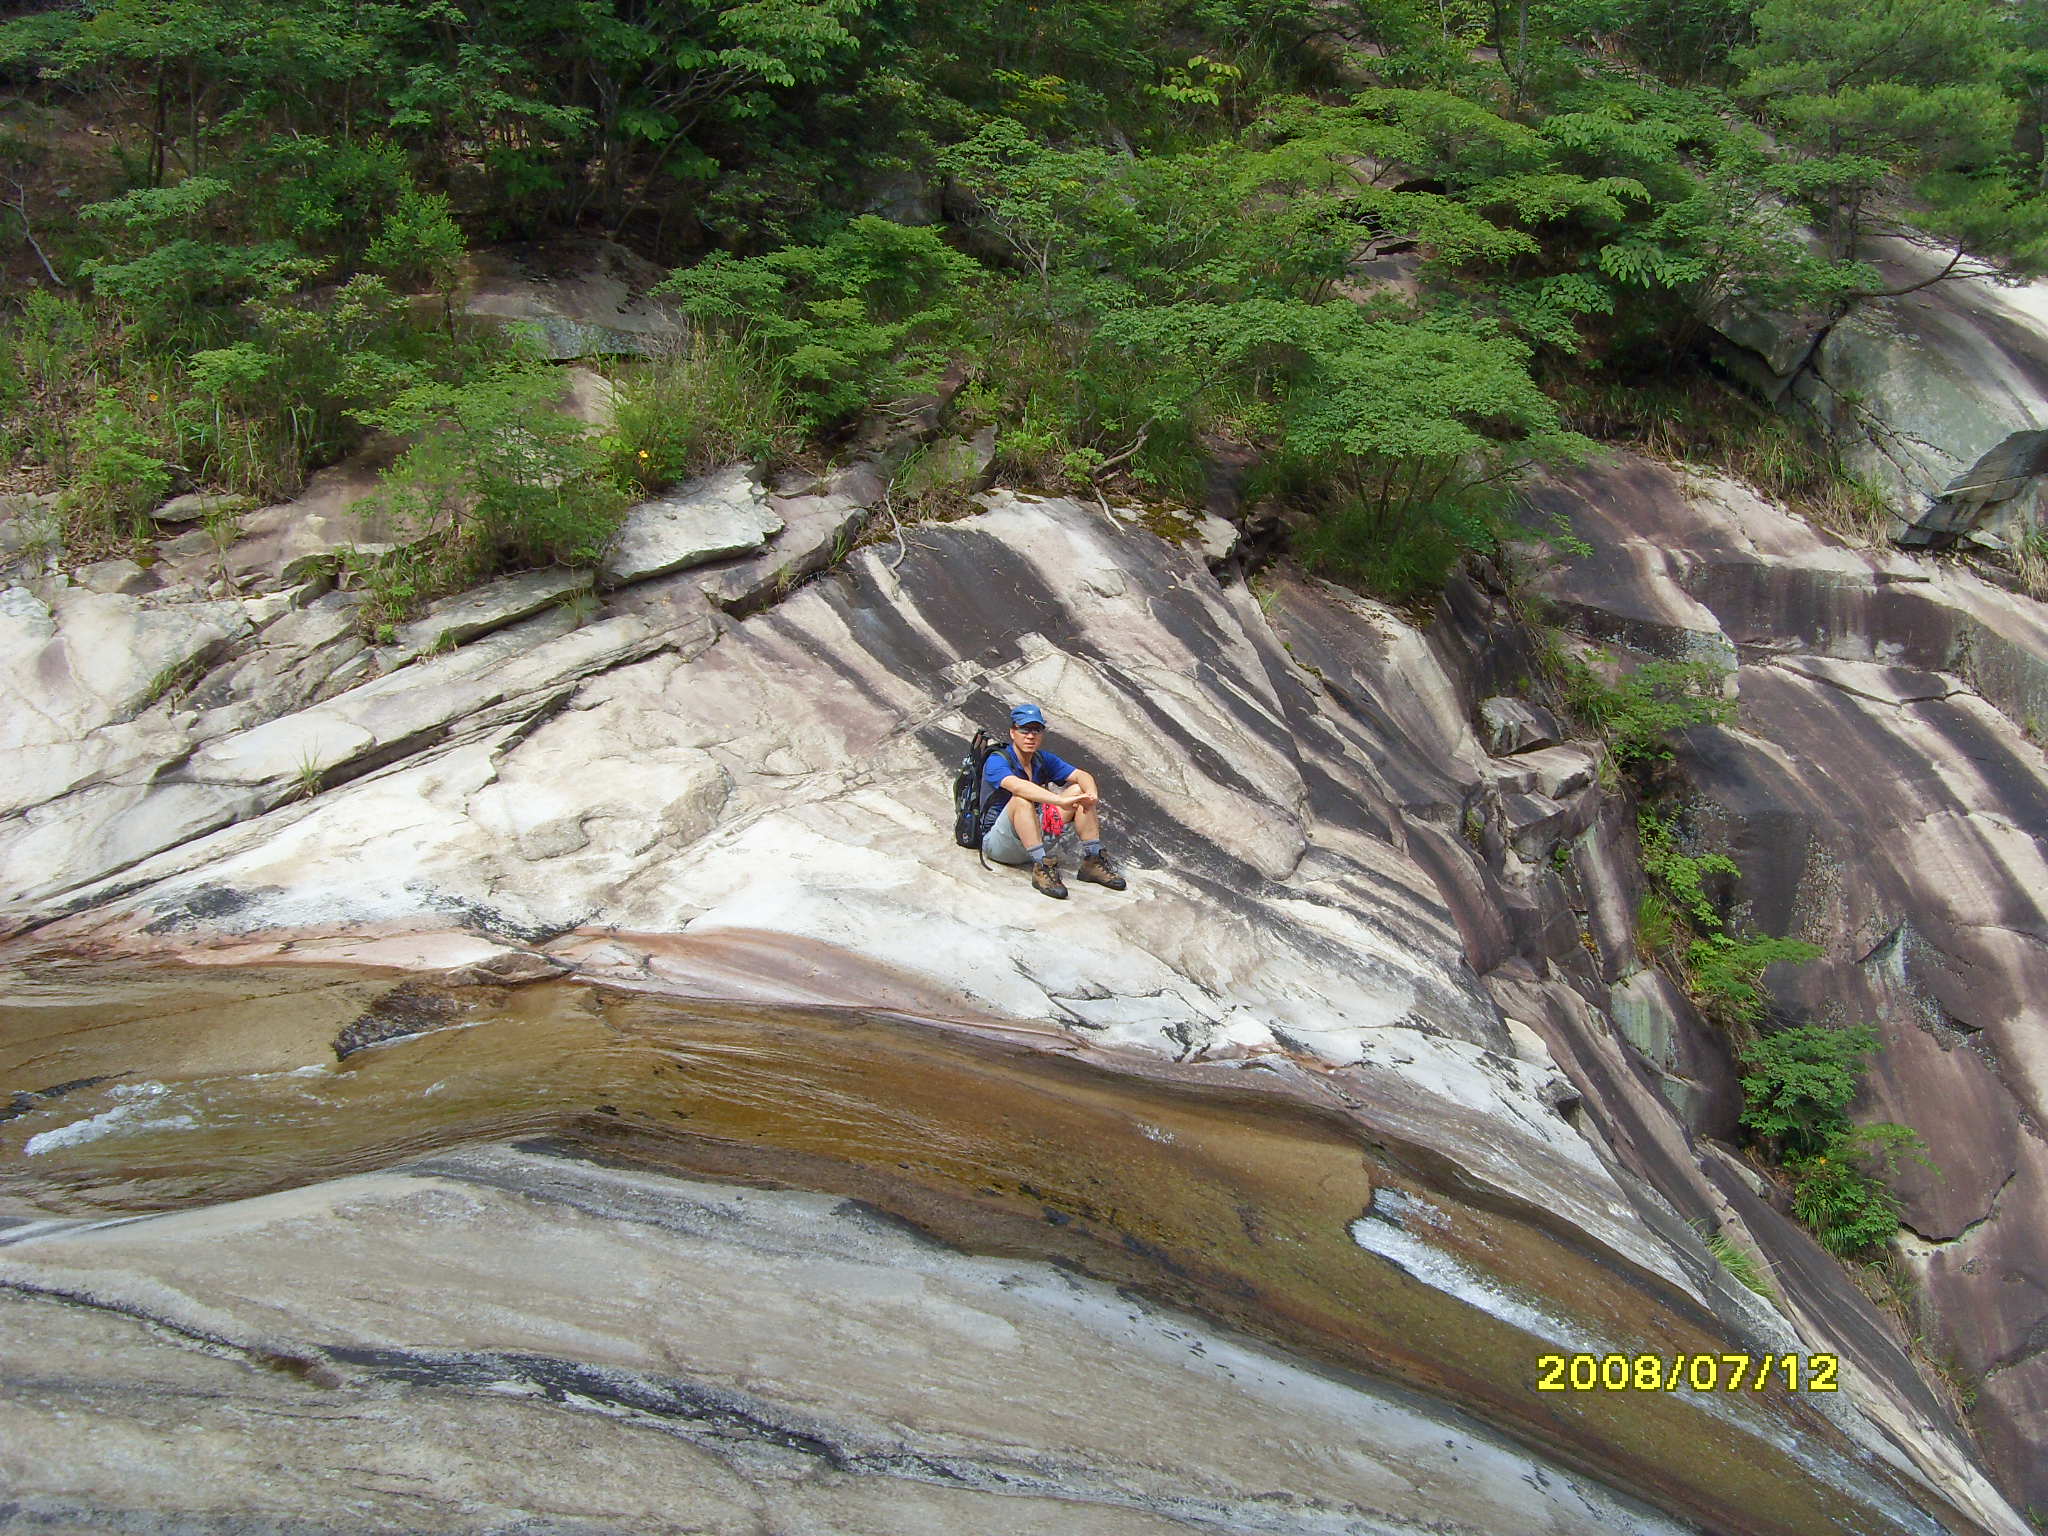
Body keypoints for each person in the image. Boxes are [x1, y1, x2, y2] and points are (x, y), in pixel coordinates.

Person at [979, 703, 1126, 900]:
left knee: (1079, 791)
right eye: (1024, 730)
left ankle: (1092, 860)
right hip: (1001, 844)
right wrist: (1058, 800)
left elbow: (1082, 775)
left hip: (1034, 836)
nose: (1030, 736)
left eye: (1036, 730)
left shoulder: (1041, 759)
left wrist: (1091, 795)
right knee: (1021, 799)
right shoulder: (998, 760)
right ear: (1013, 732)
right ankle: (1042, 867)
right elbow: (1018, 787)